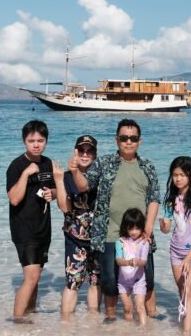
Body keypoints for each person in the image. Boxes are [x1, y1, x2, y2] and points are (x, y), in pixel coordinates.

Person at [72, 119, 161, 321]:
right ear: (116, 140)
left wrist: (148, 228)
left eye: (133, 138)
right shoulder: (104, 163)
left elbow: (154, 198)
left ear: (139, 141)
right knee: (110, 281)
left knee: (147, 278)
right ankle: (111, 320)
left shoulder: (147, 167)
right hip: (109, 232)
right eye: (123, 138)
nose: (128, 142)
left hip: (140, 234)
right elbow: (83, 186)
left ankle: (152, 318)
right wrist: (75, 171)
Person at [5, 120, 56, 323]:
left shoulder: (48, 163)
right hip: (24, 230)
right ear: (24, 141)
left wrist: (52, 193)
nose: (36, 144)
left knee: (36, 278)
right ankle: (17, 321)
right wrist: (26, 174)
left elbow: (53, 189)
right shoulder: (16, 166)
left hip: (43, 228)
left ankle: (30, 319)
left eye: (40, 140)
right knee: (31, 277)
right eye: (31, 140)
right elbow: (14, 198)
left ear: (46, 141)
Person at [54, 134, 101, 316]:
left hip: (97, 238)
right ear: (76, 151)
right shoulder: (66, 177)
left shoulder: (99, 176)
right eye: (81, 150)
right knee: (73, 282)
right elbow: (65, 208)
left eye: (89, 151)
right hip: (75, 239)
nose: (85, 154)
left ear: (95, 155)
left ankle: (93, 324)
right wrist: (58, 181)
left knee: (96, 281)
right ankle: (65, 325)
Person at [159, 156, 191, 332]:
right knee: (181, 290)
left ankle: (186, 334)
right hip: (175, 251)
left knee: (188, 289)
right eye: (175, 175)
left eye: (182, 175)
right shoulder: (171, 199)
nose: (178, 178)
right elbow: (167, 229)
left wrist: (188, 258)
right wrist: (163, 225)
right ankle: (184, 324)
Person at [115, 208, 150, 325]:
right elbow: (119, 260)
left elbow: (144, 261)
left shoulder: (144, 242)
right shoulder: (120, 242)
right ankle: (129, 335)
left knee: (140, 307)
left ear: (142, 227)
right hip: (123, 281)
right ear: (125, 227)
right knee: (127, 308)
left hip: (138, 280)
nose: (134, 232)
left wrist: (137, 263)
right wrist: (128, 263)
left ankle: (144, 331)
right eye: (131, 228)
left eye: (137, 228)